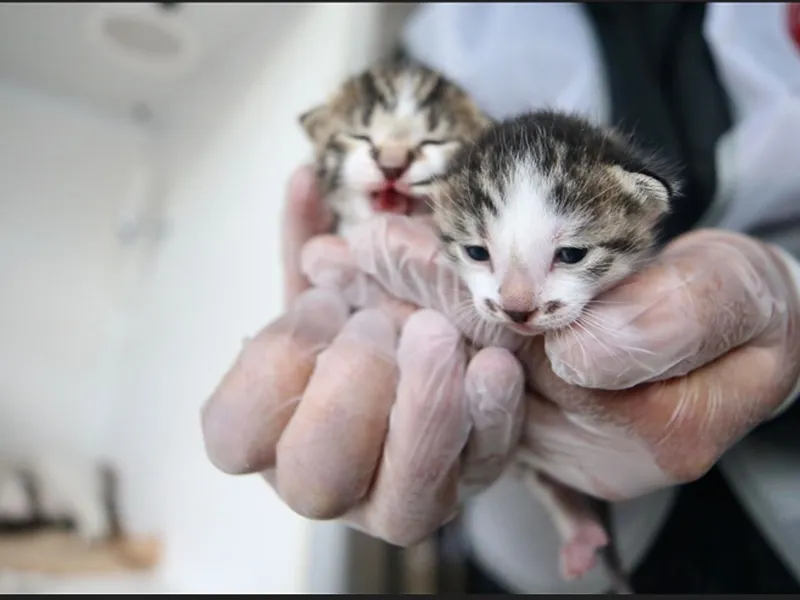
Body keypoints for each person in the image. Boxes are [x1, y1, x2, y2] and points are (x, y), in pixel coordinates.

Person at [201, 3, 800, 593]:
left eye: (569, 257)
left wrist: (788, 313)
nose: (516, 305)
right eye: (479, 256)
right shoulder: (465, 40)